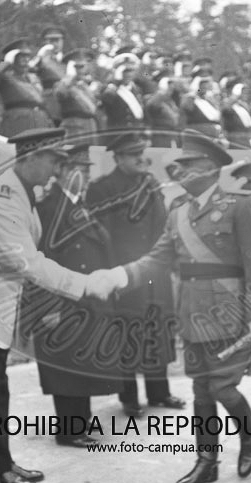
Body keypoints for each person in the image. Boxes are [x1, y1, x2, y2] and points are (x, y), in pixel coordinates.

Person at [94, 130, 251, 483]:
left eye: (186, 166)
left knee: (224, 388)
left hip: (229, 310)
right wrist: (120, 275)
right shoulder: (178, 210)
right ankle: (206, 461)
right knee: (201, 391)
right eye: (177, 167)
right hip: (192, 311)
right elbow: (158, 258)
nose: (178, 172)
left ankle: (250, 435)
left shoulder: (240, 206)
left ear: (208, 168)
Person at [0, 128, 107, 483]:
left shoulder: (20, 191)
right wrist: (79, 284)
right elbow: (28, 261)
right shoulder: (6, 197)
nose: (57, 169)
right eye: (53, 160)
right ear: (30, 157)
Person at [23, 143, 122, 447]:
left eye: (89, 169)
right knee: (65, 364)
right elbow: (37, 262)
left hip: (87, 299)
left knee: (80, 362)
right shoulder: (46, 209)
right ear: (63, 172)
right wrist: (45, 307)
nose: (87, 175)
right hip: (60, 301)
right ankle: (70, 431)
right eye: (80, 168)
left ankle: (79, 425)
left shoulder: (81, 205)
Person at [85, 132, 185, 418]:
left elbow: (162, 227)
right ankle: (129, 398)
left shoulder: (150, 184)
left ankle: (160, 392)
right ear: (117, 158)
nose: (142, 159)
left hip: (154, 271)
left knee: (158, 328)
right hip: (124, 272)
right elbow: (102, 237)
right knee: (127, 332)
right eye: (133, 154)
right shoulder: (102, 189)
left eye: (142, 153)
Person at [0, 37, 53, 138]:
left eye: (27, 56)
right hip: (17, 123)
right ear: (13, 57)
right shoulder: (5, 76)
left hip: (39, 122)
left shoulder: (33, 78)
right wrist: (7, 62)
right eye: (21, 56)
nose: (26, 59)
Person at [55, 49, 99, 143]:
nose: (80, 70)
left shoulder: (87, 86)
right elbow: (60, 93)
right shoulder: (64, 84)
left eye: (82, 66)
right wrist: (70, 76)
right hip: (74, 129)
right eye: (76, 66)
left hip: (90, 128)